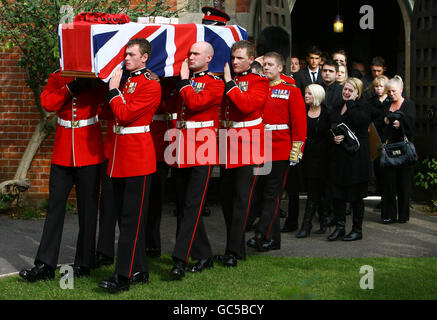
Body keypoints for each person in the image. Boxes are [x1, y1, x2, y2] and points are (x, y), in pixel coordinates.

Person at [19, 74, 106, 282]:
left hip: (89, 149)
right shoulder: (57, 77)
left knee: (88, 209)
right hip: (62, 152)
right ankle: (45, 264)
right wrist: (69, 88)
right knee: (54, 209)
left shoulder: (95, 77)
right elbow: (49, 103)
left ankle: (84, 263)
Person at [98, 38, 161, 293]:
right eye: (125, 54)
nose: (126, 58)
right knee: (124, 219)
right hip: (120, 156)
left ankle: (122, 276)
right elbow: (109, 114)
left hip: (137, 158)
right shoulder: (129, 81)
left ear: (144, 57)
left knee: (131, 220)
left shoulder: (151, 85)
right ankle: (139, 270)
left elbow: (124, 114)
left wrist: (114, 91)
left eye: (131, 54)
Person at [169, 41, 224, 279]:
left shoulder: (215, 83)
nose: (190, 57)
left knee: (193, 205)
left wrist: (182, 82)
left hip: (202, 146)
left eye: (195, 53)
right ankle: (203, 254)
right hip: (180, 145)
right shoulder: (183, 80)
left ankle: (179, 259)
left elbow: (195, 102)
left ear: (209, 58)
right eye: (189, 53)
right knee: (183, 205)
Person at [216, 40, 269, 267]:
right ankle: (236, 249)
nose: (234, 62)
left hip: (248, 144)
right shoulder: (229, 80)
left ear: (250, 59)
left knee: (241, 200)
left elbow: (247, 106)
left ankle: (232, 251)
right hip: (227, 142)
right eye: (233, 57)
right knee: (226, 200)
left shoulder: (259, 82)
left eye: (239, 58)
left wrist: (229, 83)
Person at [246, 51, 306, 251]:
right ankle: (271, 237)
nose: (267, 68)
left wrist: (296, 150)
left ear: (280, 68)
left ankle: (263, 235)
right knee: (260, 193)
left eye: (271, 65)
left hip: (280, 148)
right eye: (265, 65)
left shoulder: (291, 90)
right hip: (259, 146)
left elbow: (299, 123)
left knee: (272, 194)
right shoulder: (259, 88)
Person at [327, 78, 372, 241]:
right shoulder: (337, 106)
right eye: (345, 89)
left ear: (357, 92)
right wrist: (334, 138)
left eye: (350, 90)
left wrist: (352, 103)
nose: (346, 92)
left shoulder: (364, 106)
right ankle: (339, 227)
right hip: (339, 157)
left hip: (356, 158)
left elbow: (361, 122)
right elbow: (330, 125)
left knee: (355, 196)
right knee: (337, 195)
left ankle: (357, 229)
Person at [380, 76, 416, 224]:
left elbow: (412, 124)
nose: (391, 94)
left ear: (401, 90)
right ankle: (389, 215)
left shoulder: (409, 105)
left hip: (403, 147)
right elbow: (379, 121)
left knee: (404, 184)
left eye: (394, 91)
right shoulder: (386, 104)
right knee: (388, 183)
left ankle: (403, 215)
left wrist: (400, 123)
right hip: (389, 148)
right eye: (388, 92)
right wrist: (385, 121)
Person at [296, 84, 330, 238]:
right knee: (315, 190)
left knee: (314, 191)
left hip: (322, 158)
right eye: (306, 93)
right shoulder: (302, 110)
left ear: (316, 95)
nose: (306, 95)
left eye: (309, 93)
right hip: (306, 156)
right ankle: (324, 221)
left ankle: (306, 224)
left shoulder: (327, 113)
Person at [368, 75, 390, 206]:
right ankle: (381, 194)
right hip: (375, 137)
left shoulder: (391, 101)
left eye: (381, 86)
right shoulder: (370, 102)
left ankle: (386, 198)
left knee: (387, 169)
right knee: (377, 168)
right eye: (376, 86)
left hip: (387, 138)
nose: (378, 89)